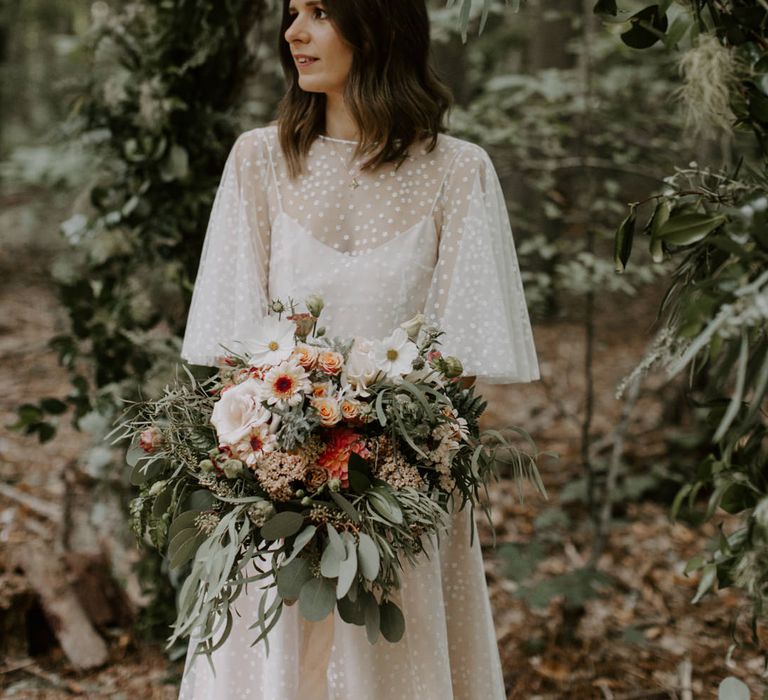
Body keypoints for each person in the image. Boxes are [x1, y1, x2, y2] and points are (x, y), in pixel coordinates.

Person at [177, 0, 540, 697]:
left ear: (377, 24)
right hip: (278, 484)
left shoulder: (459, 171)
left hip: (403, 493)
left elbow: (458, 367)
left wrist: (387, 462)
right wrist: (281, 455)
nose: (293, 33)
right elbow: (232, 350)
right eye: (292, 12)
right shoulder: (260, 158)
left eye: (318, 12)